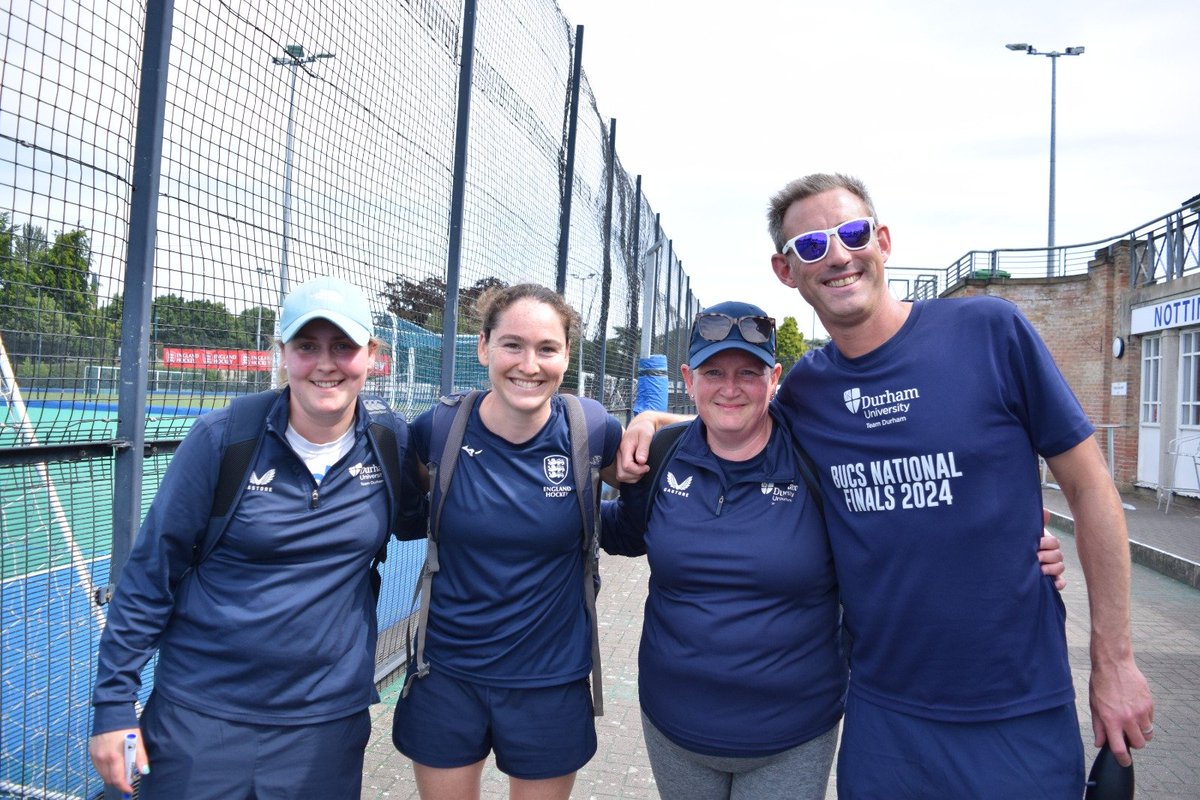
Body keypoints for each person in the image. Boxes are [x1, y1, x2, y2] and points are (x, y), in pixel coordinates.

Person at [606, 302, 1067, 800]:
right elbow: (618, 532)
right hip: (675, 726)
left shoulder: (814, 453)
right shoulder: (661, 455)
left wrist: (1010, 548)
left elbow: (903, 524)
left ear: (776, 377)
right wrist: (548, 502)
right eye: (713, 372)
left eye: (749, 372)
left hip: (791, 734)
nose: (731, 387)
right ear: (688, 378)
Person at [89, 276, 427, 799]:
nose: (325, 363)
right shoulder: (223, 439)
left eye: (343, 346)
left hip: (326, 727)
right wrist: (113, 706)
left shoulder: (390, 441)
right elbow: (150, 574)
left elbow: (431, 520)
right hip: (199, 717)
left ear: (371, 354)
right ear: (282, 354)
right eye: (306, 346)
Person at [391, 283, 623, 800]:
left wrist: (655, 419)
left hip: (551, 680)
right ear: (484, 347)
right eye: (512, 345)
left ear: (566, 355)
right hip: (446, 673)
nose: (529, 364)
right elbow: (407, 515)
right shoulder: (440, 430)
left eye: (547, 348)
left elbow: (638, 499)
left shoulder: (592, 431)